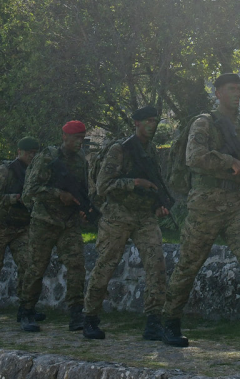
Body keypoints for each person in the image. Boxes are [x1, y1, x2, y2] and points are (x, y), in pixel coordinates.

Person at [161, 73, 240, 350]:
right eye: (231, 89)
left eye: (239, 89)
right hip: (205, 205)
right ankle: (169, 322)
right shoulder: (204, 122)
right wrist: (228, 160)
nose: (236, 93)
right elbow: (193, 156)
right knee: (188, 264)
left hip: (235, 204)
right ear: (218, 93)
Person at [82, 106, 173, 340]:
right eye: (148, 121)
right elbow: (103, 186)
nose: (153, 125)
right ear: (137, 123)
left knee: (157, 265)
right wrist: (134, 182)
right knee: (105, 265)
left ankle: (153, 321)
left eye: (155, 121)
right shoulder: (120, 149)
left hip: (144, 217)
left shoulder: (150, 151)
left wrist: (158, 204)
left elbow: (154, 184)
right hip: (117, 215)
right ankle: (90, 318)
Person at [18, 120, 91, 332]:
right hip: (44, 222)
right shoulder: (47, 157)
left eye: (82, 138)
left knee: (77, 266)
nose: (79, 142)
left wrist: (82, 208)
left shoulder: (80, 160)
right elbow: (30, 190)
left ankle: (76, 313)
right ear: (64, 137)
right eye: (76, 138)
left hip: (68, 223)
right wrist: (58, 194)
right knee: (36, 267)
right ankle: (27, 311)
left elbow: (82, 190)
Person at [0, 136, 41, 325]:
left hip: (22, 227)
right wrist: (14, 198)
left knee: (29, 266)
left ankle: (26, 309)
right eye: (29, 153)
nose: (32, 156)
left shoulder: (34, 172)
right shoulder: (5, 171)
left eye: (34, 153)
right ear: (19, 153)